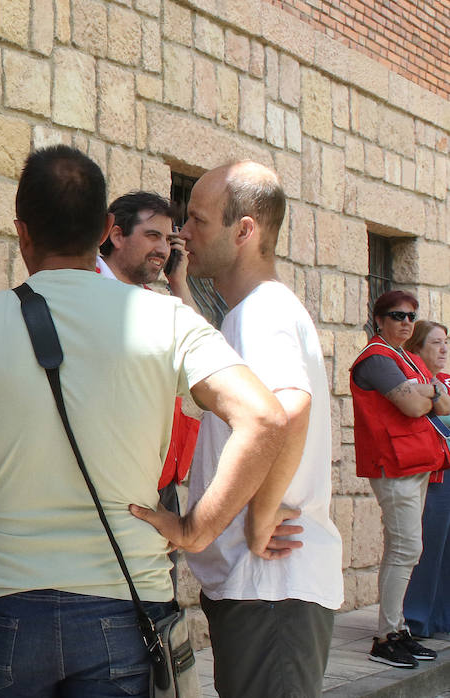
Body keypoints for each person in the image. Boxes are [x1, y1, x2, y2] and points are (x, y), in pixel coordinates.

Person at [0, 145, 287, 696]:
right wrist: (196, 528)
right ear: (107, 228)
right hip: (127, 599)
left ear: (21, 231)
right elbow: (265, 419)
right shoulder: (169, 320)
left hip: (7, 602)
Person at [173, 161, 342, 696]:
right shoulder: (250, 311)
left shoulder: (263, 311)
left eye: (197, 220)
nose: (183, 233)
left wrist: (258, 516)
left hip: (273, 588)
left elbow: (289, 409)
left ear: (243, 230)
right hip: (261, 591)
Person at [351, 289, 450, 667]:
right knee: (406, 548)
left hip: (415, 462)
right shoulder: (376, 358)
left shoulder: (405, 358)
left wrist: (425, 390)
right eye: (397, 315)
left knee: (406, 548)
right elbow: (412, 404)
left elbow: (441, 402)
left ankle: (397, 629)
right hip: (394, 464)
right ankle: (385, 637)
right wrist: (426, 391)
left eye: (411, 316)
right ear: (380, 319)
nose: (406, 322)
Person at [101, 191, 202, 562]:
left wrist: (179, 282)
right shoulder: (87, 295)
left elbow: (201, 359)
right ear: (116, 235)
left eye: (168, 238)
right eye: (153, 236)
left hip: (160, 485)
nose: (162, 248)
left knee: (160, 608)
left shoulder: (158, 304)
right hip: (114, 486)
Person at [402, 320, 450, 639]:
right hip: (431, 473)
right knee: (427, 546)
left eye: (446, 342)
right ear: (417, 348)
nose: (444, 348)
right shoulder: (411, 380)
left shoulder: (445, 381)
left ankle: (441, 619)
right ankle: (416, 619)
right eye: (435, 343)